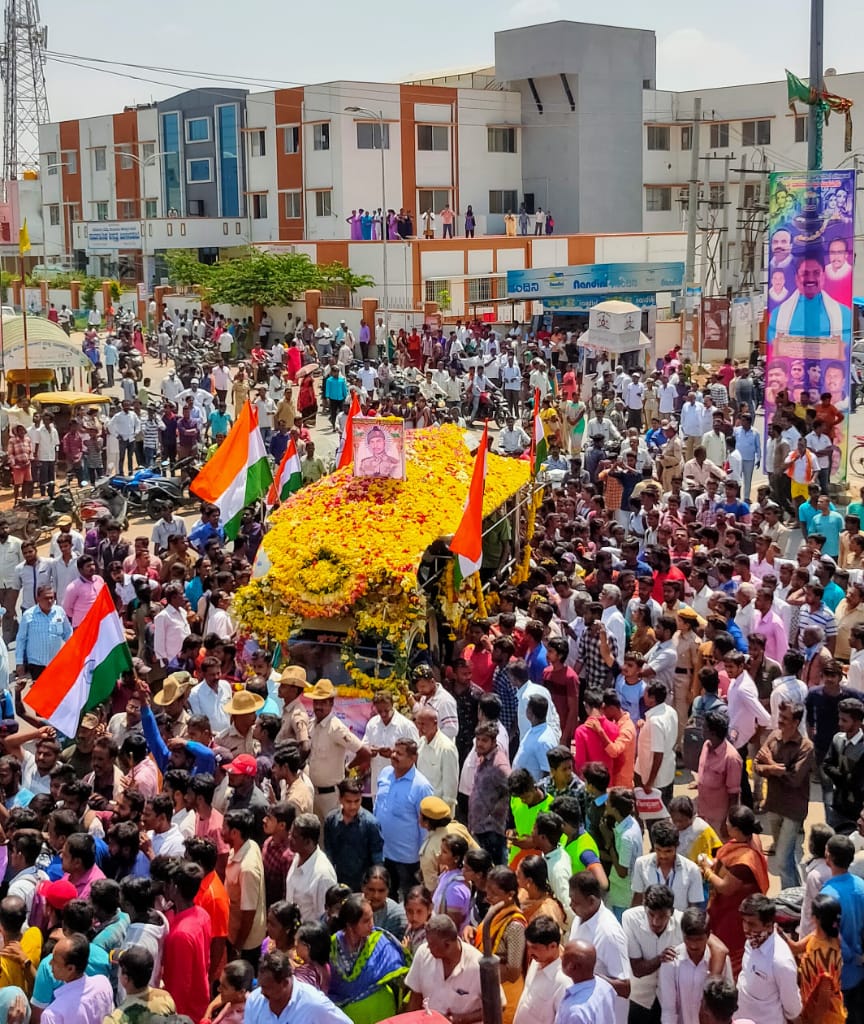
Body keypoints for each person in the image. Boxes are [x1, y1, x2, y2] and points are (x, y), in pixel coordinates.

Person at [700, 804, 769, 975]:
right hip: (733, 905)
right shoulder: (749, 839)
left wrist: (707, 871)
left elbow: (725, 888)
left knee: (731, 946)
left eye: (728, 823)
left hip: (733, 911)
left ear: (737, 829)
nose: (726, 825)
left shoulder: (744, 861)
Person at [753, 700, 814, 889]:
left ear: (796, 722)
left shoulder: (805, 747)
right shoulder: (774, 737)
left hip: (793, 810)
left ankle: (789, 901)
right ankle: (798, 894)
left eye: (785, 718)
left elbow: (795, 780)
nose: (780, 722)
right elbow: (756, 765)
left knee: (781, 860)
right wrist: (773, 768)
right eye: (780, 717)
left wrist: (769, 764)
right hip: (773, 804)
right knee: (785, 857)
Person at [327, 894, 408, 1024]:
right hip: (346, 1018)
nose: (372, 924)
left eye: (372, 918)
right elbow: (328, 984)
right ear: (350, 925)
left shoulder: (381, 942)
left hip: (381, 1013)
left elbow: (403, 979)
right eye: (366, 921)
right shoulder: (332, 947)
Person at [736, 894, 802, 1024]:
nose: (745, 928)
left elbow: (792, 1008)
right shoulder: (752, 941)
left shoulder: (781, 962)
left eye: (751, 924)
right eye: (744, 921)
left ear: (767, 925)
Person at [657, 908, 732, 1024]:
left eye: (699, 940)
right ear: (682, 935)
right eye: (689, 939)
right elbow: (669, 1009)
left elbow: (728, 1002)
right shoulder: (671, 961)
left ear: (708, 936)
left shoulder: (721, 962)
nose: (693, 945)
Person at [405, 913, 485, 1021]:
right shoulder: (423, 954)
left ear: (447, 945)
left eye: (432, 944)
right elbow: (415, 998)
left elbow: (497, 1006)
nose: (428, 947)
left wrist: (460, 1019)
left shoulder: (478, 965)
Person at [472, 866, 526, 1023]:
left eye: (494, 894)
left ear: (510, 895)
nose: (488, 897)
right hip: (489, 991)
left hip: (507, 995)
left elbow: (514, 971)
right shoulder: (495, 911)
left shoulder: (515, 925)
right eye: (487, 891)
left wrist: (483, 971)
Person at [245, 949, 352, 1024]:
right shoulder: (255, 1001)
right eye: (261, 986)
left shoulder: (315, 1004)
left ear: (285, 983)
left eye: (267, 988)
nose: (262, 992)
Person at [513, 914, 568, 1024]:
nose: (529, 952)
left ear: (552, 946)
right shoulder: (535, 962)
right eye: (528, 947)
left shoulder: (563, 982)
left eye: (535, 948)